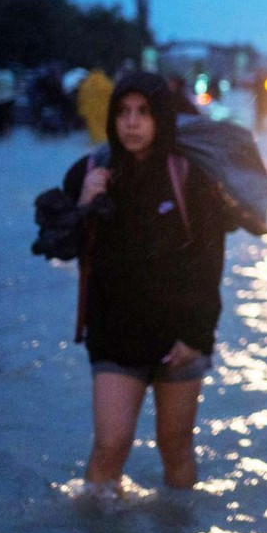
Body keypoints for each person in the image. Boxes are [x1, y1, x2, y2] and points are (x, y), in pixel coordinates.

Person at [58, 71, 229, 497]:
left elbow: (209, 264)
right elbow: (59, 248)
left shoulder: (190, 177)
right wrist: (84, 204)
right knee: (109, 447)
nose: (132, 123)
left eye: (144, 113)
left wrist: (196, 336)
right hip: (115, 337)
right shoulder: (91, 170)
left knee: (176, 449)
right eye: (123, 113)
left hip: (180, 341)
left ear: (162, 118)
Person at [76, 68, 114, 143]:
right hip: (104, 109)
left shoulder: (85, 85)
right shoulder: (106, 82)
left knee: (93, 124)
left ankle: (96, 138)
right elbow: (112, 94)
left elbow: (81, 99)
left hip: (90, 110)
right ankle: (105, 137)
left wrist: (81, 109)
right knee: (104, 123)